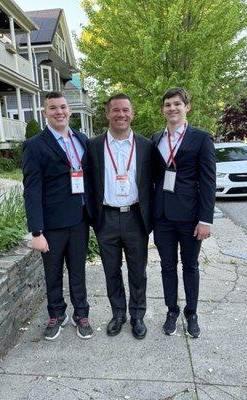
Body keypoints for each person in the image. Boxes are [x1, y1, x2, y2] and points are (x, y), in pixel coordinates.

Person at [22, 91, 93, 340]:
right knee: (53, 273)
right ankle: (56, 314)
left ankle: (81, 313)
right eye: (53, 108)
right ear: (45, 113)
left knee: (78, 271)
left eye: (62, 107)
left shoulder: (82, 139)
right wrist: (36, 231)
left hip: (79, 220)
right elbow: (31, 191)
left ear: (70, 110)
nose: (59, 112)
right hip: (51, 225)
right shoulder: (35, 145)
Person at [88, 93, 153, 339]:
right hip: (106, 218)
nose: (120, 114)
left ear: (132, 114)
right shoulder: (94, 146)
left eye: (125, 110)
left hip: (136, 218)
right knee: (111, 270)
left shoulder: (146, 146)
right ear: (107, 114)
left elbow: (153, 183)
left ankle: (137, 316)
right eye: (115, 110)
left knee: (138, 271)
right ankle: (118, 314)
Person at [152, 87, 216, 338]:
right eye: (168, 104)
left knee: (190, 266)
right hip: (163, 217)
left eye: (177, 104)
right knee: (167, 267)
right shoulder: (157, 137)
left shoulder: (201, 138)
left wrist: (205, 220)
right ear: (162, 110)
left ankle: (191, 313)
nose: (172, 108)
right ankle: (172, 310)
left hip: (191, 218)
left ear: (187, 107)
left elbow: (209, 181)